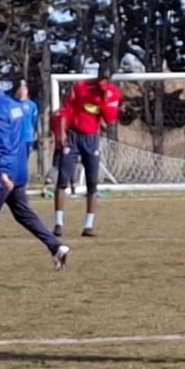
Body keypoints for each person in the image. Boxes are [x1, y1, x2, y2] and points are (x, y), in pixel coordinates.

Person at [0, 73, 70, 276]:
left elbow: (1, 143)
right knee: (24, 214)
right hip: (19, 170)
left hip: (0, 174)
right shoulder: (14, 106)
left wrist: (2, 172)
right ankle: (56, 246)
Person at [52, 61, 121, 239]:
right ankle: (58, 223)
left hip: (91, 139)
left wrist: (104, 99)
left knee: (92, 183)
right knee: (63, 179)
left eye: (106, 78)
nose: (103, 81)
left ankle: (88, 225)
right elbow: (66, 109)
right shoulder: (81, 87)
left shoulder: (113, 93)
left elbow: (110, 119)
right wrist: (62, 132)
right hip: (73, 136)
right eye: (101, 77)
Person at [14, 79, 39, 164]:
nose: (22, 91)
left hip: (27, 138)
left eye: (24, 88)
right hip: (15, 138)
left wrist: (32, 132)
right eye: (20, 88)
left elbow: (33, 121)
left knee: (25, 161)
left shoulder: (32, 105)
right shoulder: (12, 104)